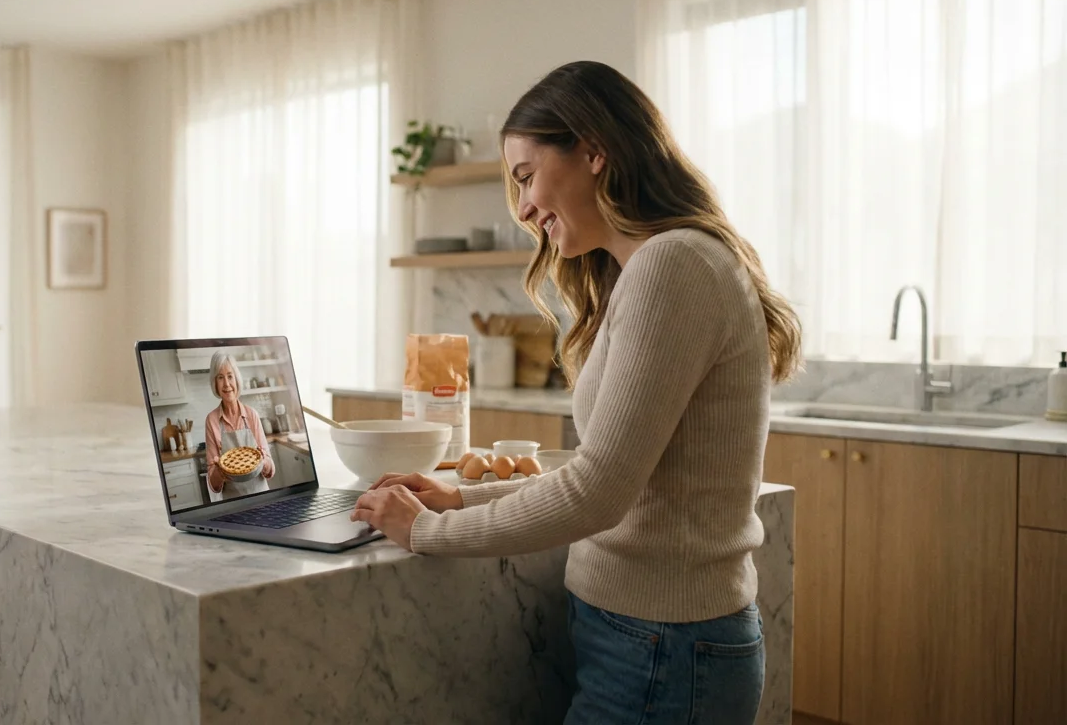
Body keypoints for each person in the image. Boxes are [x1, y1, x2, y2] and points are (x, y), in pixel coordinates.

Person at [352, 61, 802, 724]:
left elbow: (598, 491)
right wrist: (460, 496)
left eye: (527, 176)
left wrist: (428, 531)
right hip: (655, 644)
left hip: (663, 651)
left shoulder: (671, 266)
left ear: (594, 149)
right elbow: (619, 478)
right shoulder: (659, 266)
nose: (525, 207)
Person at [204, 351, 275, 499]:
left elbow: (270, 471)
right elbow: (214, 486)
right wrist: (218, 470)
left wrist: (263, 460)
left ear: (237, 379)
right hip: (233, 503)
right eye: (220, 377)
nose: (227, 384)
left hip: (261, 497)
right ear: (215, 384)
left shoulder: (251, 415)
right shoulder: (211, 420)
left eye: (230, 376)